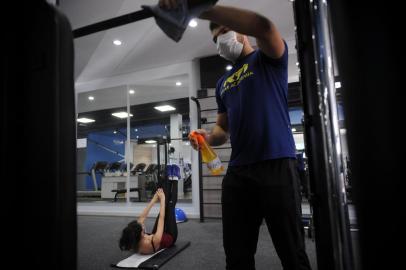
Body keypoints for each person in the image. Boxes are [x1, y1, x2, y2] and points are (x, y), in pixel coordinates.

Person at [158, 1, 312, 269]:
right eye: (216, 38)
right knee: (237, 255)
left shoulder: (268, 60)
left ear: (241, 32)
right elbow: (222, 132)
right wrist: (205, 136)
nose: (221, 41)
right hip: (239, 173)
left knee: (292, 252)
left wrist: (198, 8)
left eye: (225, 32)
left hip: (276, 165)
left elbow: (264, 27)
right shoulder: (222, 84)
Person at [119, 180, 178, 255]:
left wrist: (154, 200)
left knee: (164, 205)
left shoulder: (135, 237)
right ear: (141, 234)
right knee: (170, 206)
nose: (143, 226)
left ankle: (168, 179)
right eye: (142, 228)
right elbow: (161, 219)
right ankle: (175, 180)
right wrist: (162, 200)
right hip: (170, 236)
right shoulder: (152, 242)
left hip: (156, 234)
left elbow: (142, 217)